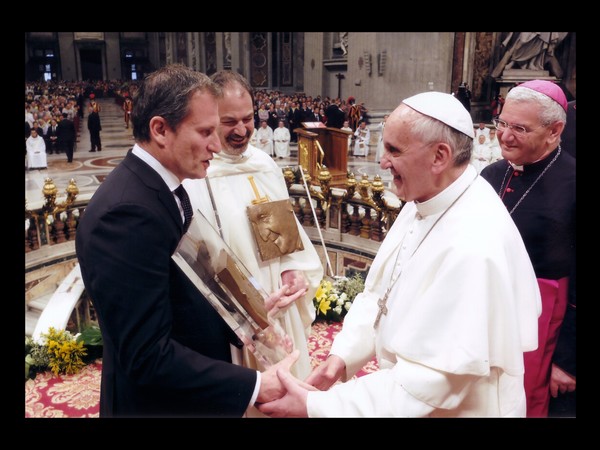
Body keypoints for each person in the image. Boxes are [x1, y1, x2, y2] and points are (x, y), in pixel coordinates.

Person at [258, 91, 541, 418]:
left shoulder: (474, 245)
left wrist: (315, 405)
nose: (382, 162)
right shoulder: (427, 196)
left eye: (394, 150)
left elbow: (425, 385)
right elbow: (379, 294)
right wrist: (342, 357)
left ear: (439, 156)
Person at [75, 64, 301, 418]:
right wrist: (255, 385)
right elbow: (147, 355)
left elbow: (185, 294)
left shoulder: (163, 187)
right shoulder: (125, 215)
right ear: (161, 129)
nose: (216, 144)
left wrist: (248, 311)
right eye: (206, 131)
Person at [183, 70, 323, 384]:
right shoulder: (196, 176)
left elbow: (284, 240)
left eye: (248, 118)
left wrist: (292, 267)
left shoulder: (264, 164)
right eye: (230, 121)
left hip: (280, 305)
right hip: (234, 314)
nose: (242, 129)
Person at [480, 79, 575, 417]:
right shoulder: (491, 175)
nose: (504, 136)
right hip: (488, 312)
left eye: (519, 128)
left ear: (554, 130)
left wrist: (567, 360)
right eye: (502, 123)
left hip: (545, 320)